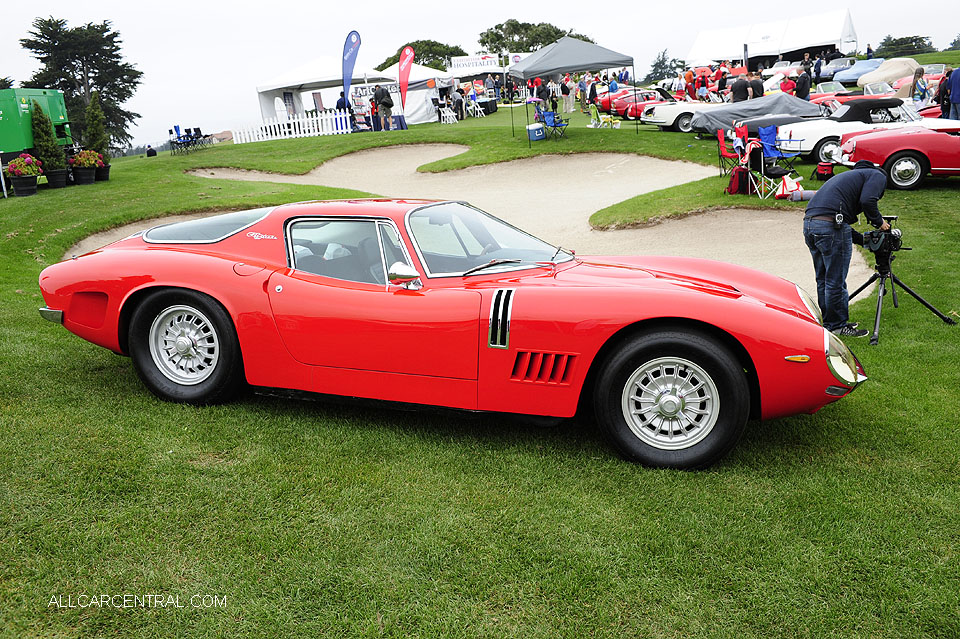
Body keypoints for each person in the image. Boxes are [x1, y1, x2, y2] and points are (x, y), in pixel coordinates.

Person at [802, 160, 890, 337]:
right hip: (831, 227)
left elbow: (839, 222)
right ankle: (838, 326)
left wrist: (862, 240)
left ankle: (828, 323)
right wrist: (881, 223)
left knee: (823, 278)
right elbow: (868, 201)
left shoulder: (845, 178)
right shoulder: (877, 175)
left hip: (810, 225)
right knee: (835, 280)